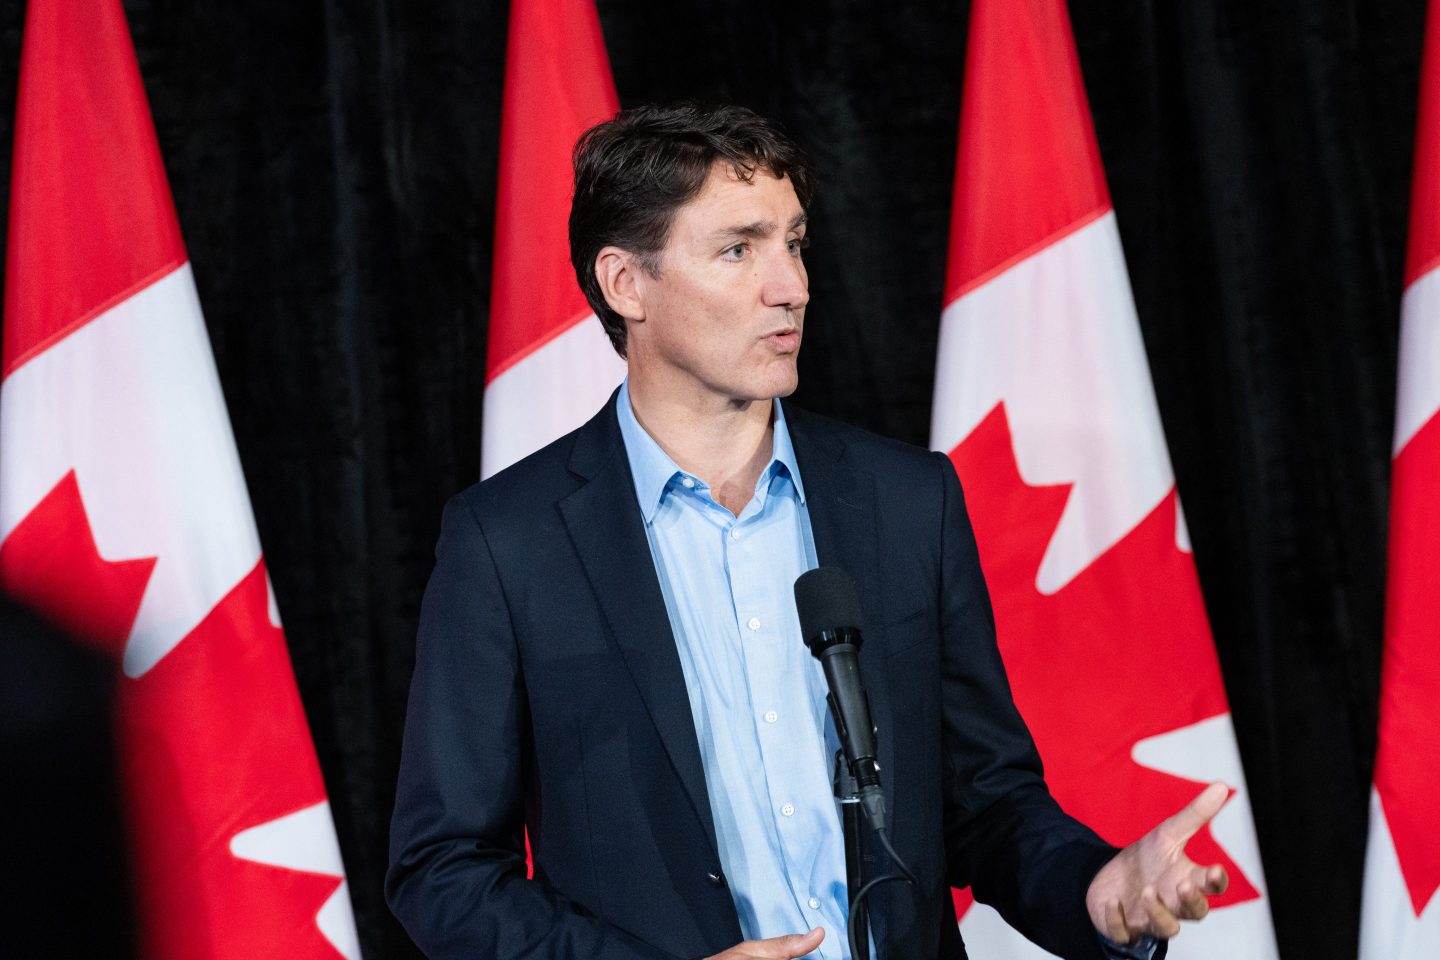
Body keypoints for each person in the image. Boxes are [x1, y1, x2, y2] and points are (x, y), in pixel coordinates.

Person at [386, 102, 1229, 960]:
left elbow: (985, 798)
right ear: (625, 284)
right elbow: (443, 868)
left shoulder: (907, 500)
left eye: (793, 242)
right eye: (738, 249)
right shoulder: (509, 543)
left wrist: (1098, 887)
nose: (791, 285)